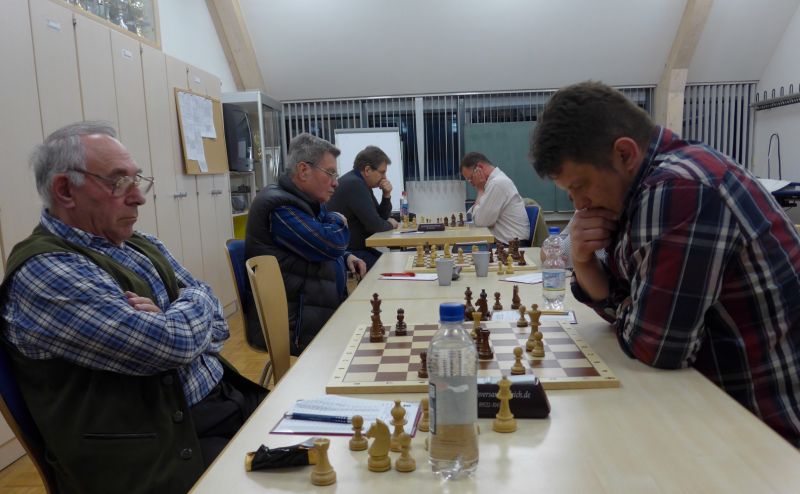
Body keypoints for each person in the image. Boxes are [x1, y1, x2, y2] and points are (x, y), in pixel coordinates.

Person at [0, 121, 266, 494]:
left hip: (223, 403)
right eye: (119, 182)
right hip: (162, 452)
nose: (139, 197)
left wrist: (181, 313)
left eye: (137, 179)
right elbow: (171, 345)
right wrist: (190, 314)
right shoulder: (46, 271)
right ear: (65, 190)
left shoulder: (139, 243)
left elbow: (217, 321)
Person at [530, 80, 800, 447]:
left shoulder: (679, 188)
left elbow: (656, 347)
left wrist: (631, 311)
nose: (579, 205)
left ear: (625, 154)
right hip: (708, 406)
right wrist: (582, 260)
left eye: (581, 186)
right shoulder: (642, 189)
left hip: (764, 433)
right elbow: (626, 309)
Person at [245, 133, 366, 355]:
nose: (335, 182)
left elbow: (317, 245)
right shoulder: (280, 208)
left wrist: (346, 256)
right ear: (303, 170)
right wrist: (338, 220)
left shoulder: (306, 202)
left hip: (314, 310)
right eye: (330, 173)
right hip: (296, 326)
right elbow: (331, 243)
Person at [327, 145, 399, 270]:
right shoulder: (354, 184)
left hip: (357, 249)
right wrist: (391, 224)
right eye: (382, 172)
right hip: (347, 254)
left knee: (392, 263)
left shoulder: (361, 183)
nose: (385, 178)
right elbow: (376, 226)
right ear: (367, 170)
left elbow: (380, 217)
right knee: (391, 268)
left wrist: (386, 195)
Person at [460, 152, 529, 244]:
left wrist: (480, 190)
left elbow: (480, 222)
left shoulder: (497, 183)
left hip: (513, 246)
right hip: (504, 242)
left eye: (471, 178)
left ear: (480, 167)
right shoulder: (492, 183)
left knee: (460, 248)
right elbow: (473, 214)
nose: (472, 183)